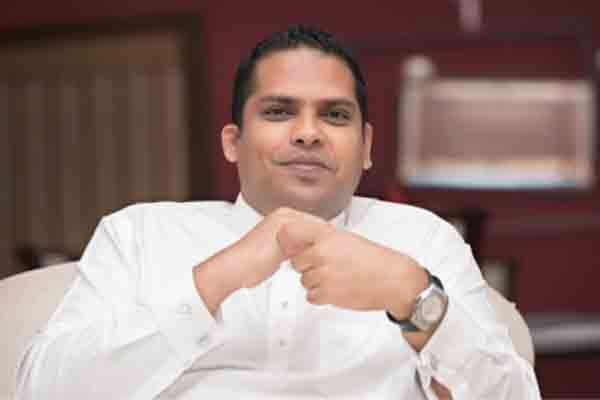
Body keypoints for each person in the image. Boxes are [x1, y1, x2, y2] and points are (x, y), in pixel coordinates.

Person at [16, 25, 540, 399]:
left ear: (365, 146)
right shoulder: (139, 234)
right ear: (233, 142)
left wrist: (413, 296)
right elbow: (40, 391)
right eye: (278, 111)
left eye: (334, 115)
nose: (308, 133)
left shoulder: (424, 240)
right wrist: (214, 280)